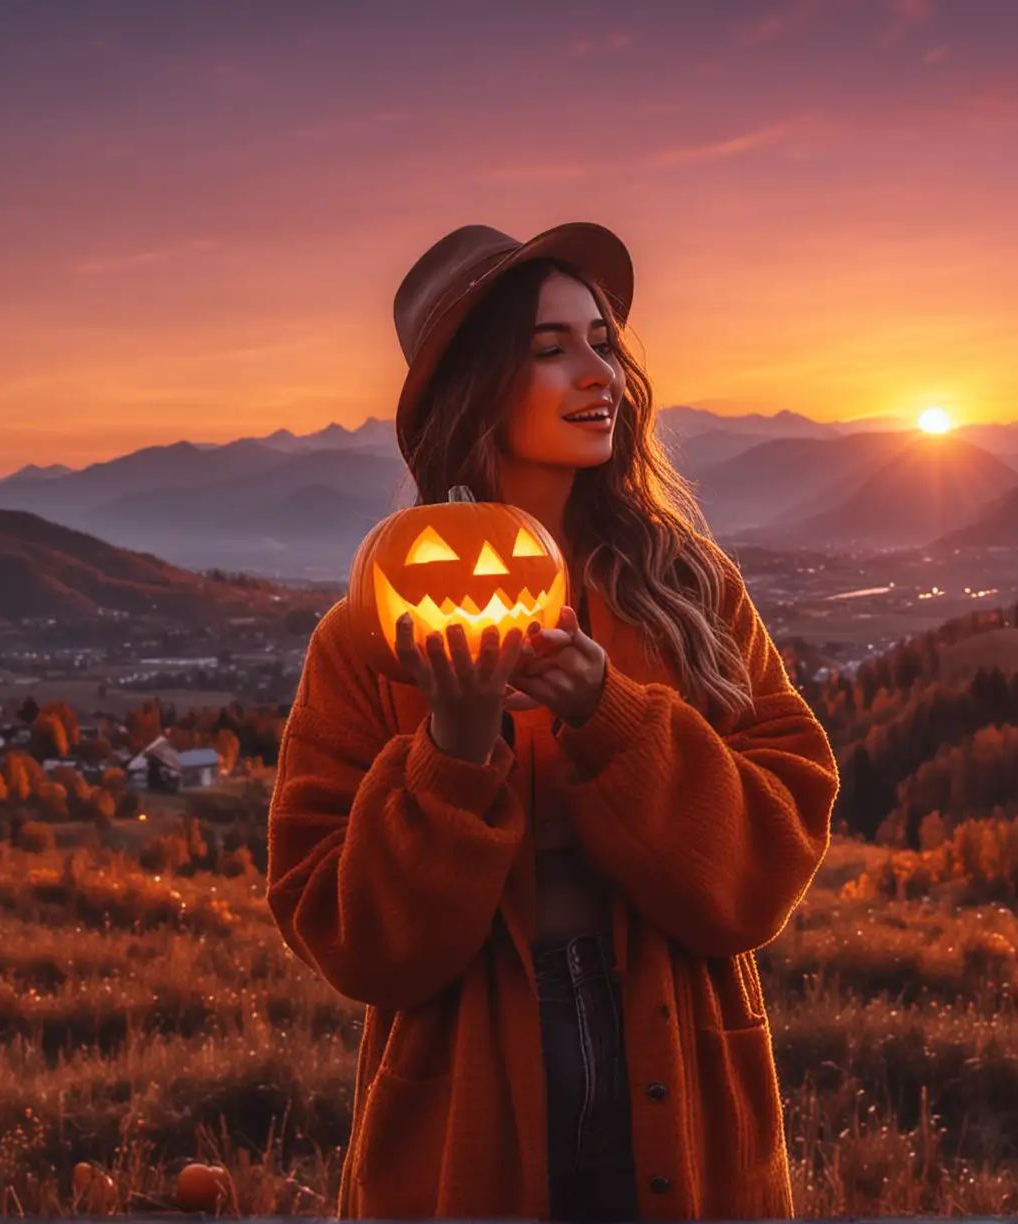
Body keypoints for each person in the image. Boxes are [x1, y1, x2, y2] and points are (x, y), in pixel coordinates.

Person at [264, 221, 840, 1220]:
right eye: (549, 348)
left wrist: (607, 714)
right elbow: (355, 943)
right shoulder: (369, 638)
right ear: (476, 388)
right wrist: (449, 756)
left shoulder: (689, 591)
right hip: (463, 1118)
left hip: (684, 1079)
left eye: (602, 340)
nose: (597, 373)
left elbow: (770, 858)